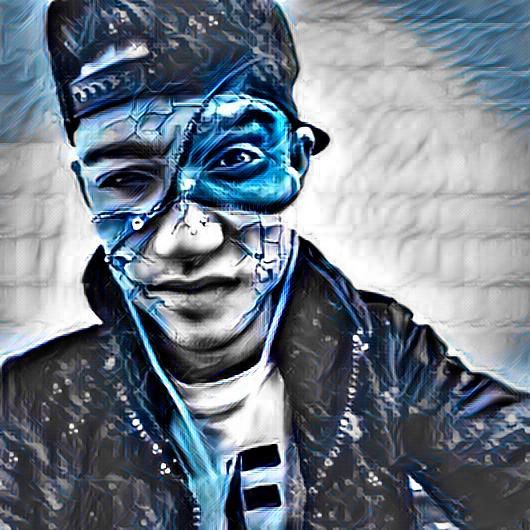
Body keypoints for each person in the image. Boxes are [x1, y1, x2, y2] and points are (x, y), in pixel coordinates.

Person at [1, 0, 528, 528]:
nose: (186, 238)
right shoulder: (32, 406)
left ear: (295, 160)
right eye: (124, 180)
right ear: (86, 192)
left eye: (234, 161)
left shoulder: (379, 354)